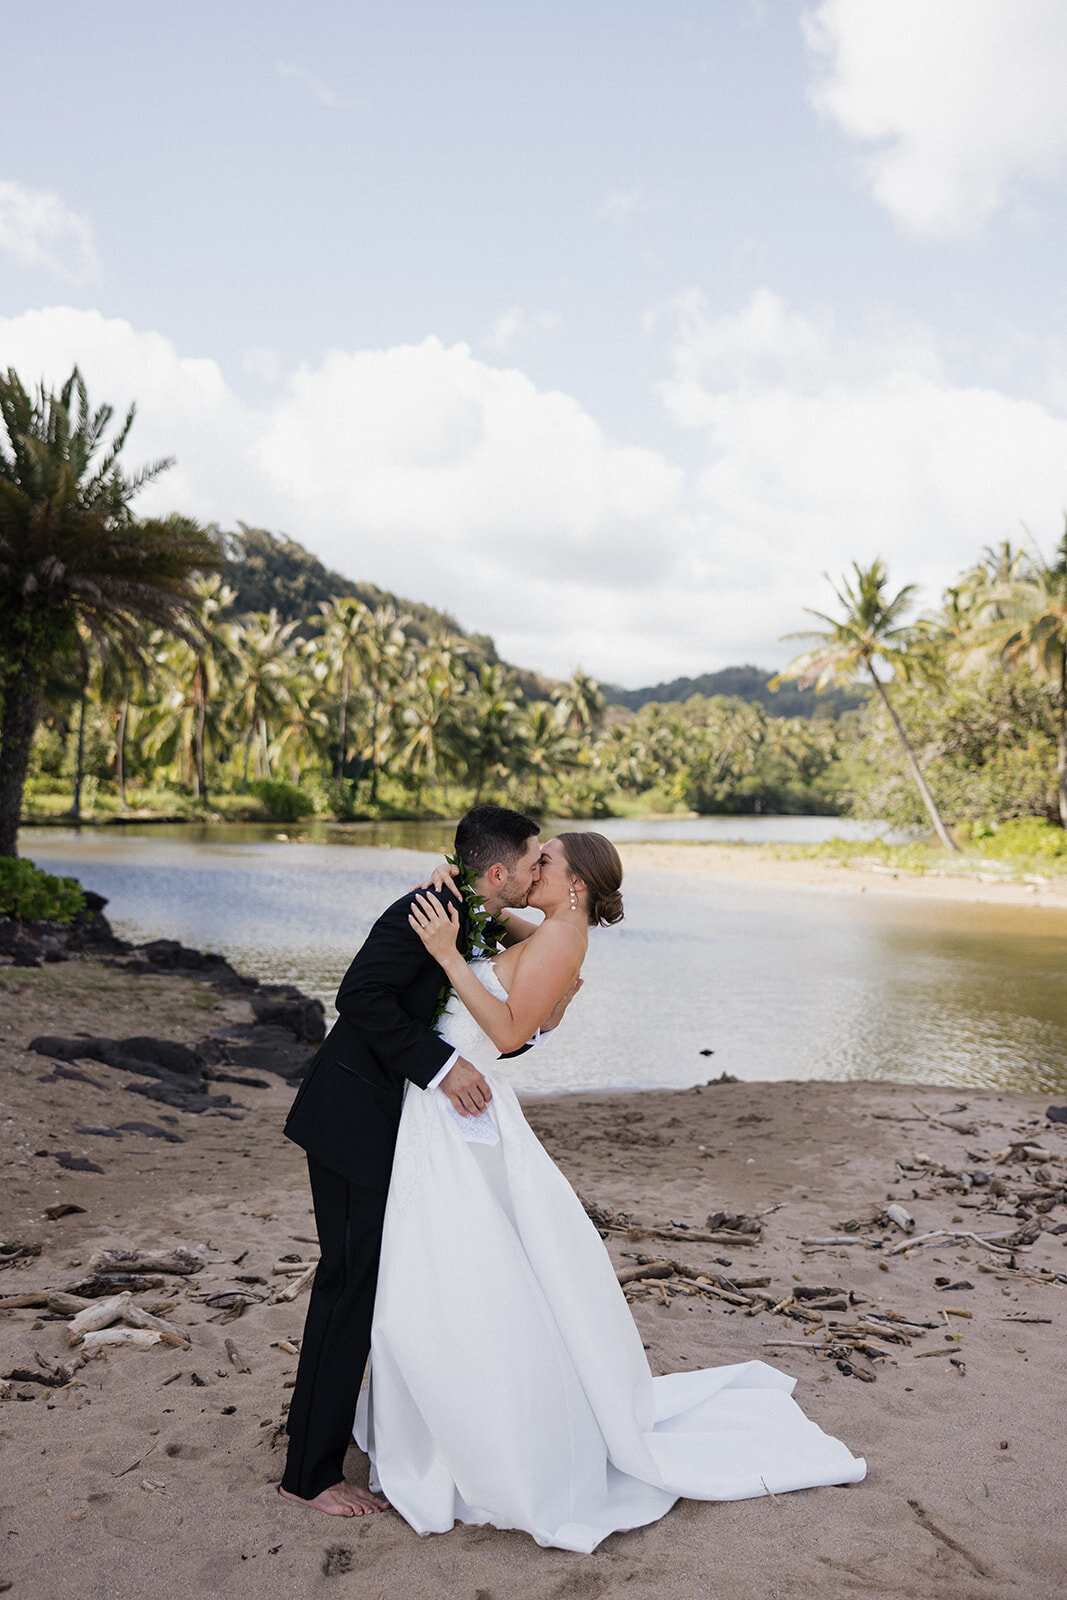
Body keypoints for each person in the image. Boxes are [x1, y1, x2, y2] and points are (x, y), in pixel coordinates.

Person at [355, 831, 866, 1553]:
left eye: (545, 859)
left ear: (572, 885)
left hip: (458, 1107)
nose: (533, 863)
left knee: (459, 1276)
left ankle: (479, 1434)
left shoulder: (564, 939)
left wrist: (444, 955)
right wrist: (469, 894)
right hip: (443, 1113)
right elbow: (513, 948)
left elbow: (504, 1030)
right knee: (448, 1274)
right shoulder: (557, 927)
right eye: (530, 854)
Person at [279, 803, 563, 1517]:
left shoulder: (465, 910)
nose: (538, 871)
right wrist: (440, 1069)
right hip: (351, 1119)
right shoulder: (426, 908)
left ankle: (320, 1436)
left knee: (365, 1286)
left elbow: (489, 991)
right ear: (497, 870)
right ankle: (308, 1474)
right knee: (349, 1288)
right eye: (533, 861)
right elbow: (360, 996)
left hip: (396, 1128)